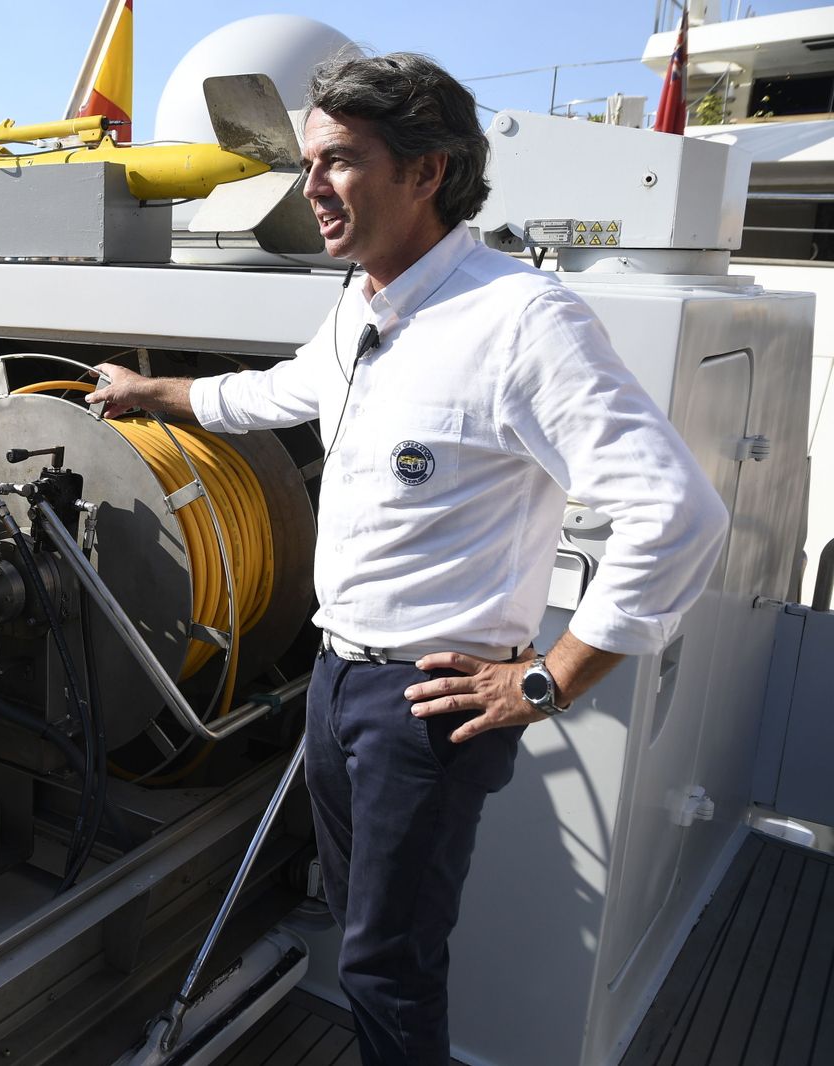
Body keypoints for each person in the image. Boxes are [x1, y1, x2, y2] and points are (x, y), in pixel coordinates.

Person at [87, 51, 728, 1066]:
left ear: (426, 171)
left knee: (389, 962)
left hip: (426, 709)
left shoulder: (521, 319)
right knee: (362, 933)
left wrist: (549, 679)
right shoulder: (363, 305)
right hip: (334, 679)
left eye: (338, 161)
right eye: (308, 164)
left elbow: (678, 513)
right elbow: (281, 391)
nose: (311, 188)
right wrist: (149, 394)